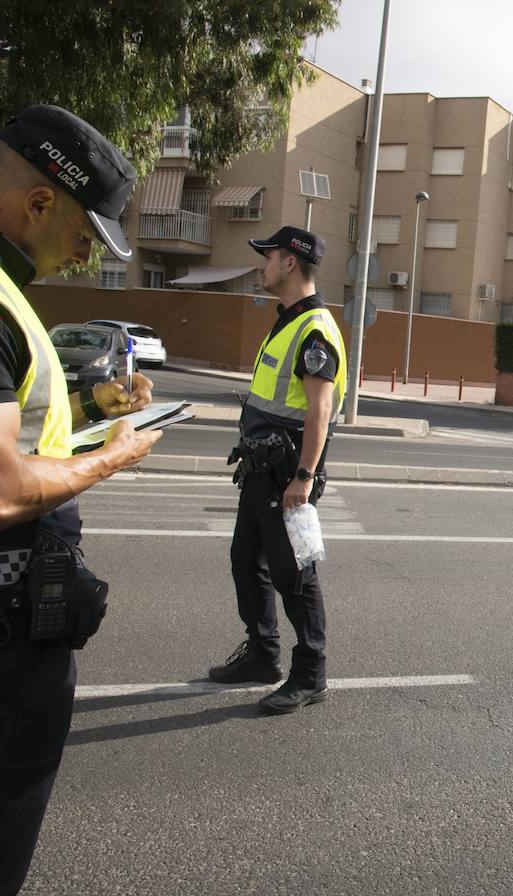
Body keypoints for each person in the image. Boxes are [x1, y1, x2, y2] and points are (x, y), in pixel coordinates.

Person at [0, 104, 160, 896]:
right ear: (41, 203)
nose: (92, 250)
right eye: (90, 228)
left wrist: (90, 407)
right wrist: (111, 455)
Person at [207, 225, 347, 715]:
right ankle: (263, 654)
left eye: (267, 257)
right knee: (247, 560)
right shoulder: (287, 321)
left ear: (290, 262)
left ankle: (311, 674)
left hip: (288, 472)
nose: (261, 265)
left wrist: (304, 478)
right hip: (261, 468)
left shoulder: (315, 329)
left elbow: (320, 410)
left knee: (295, 574)